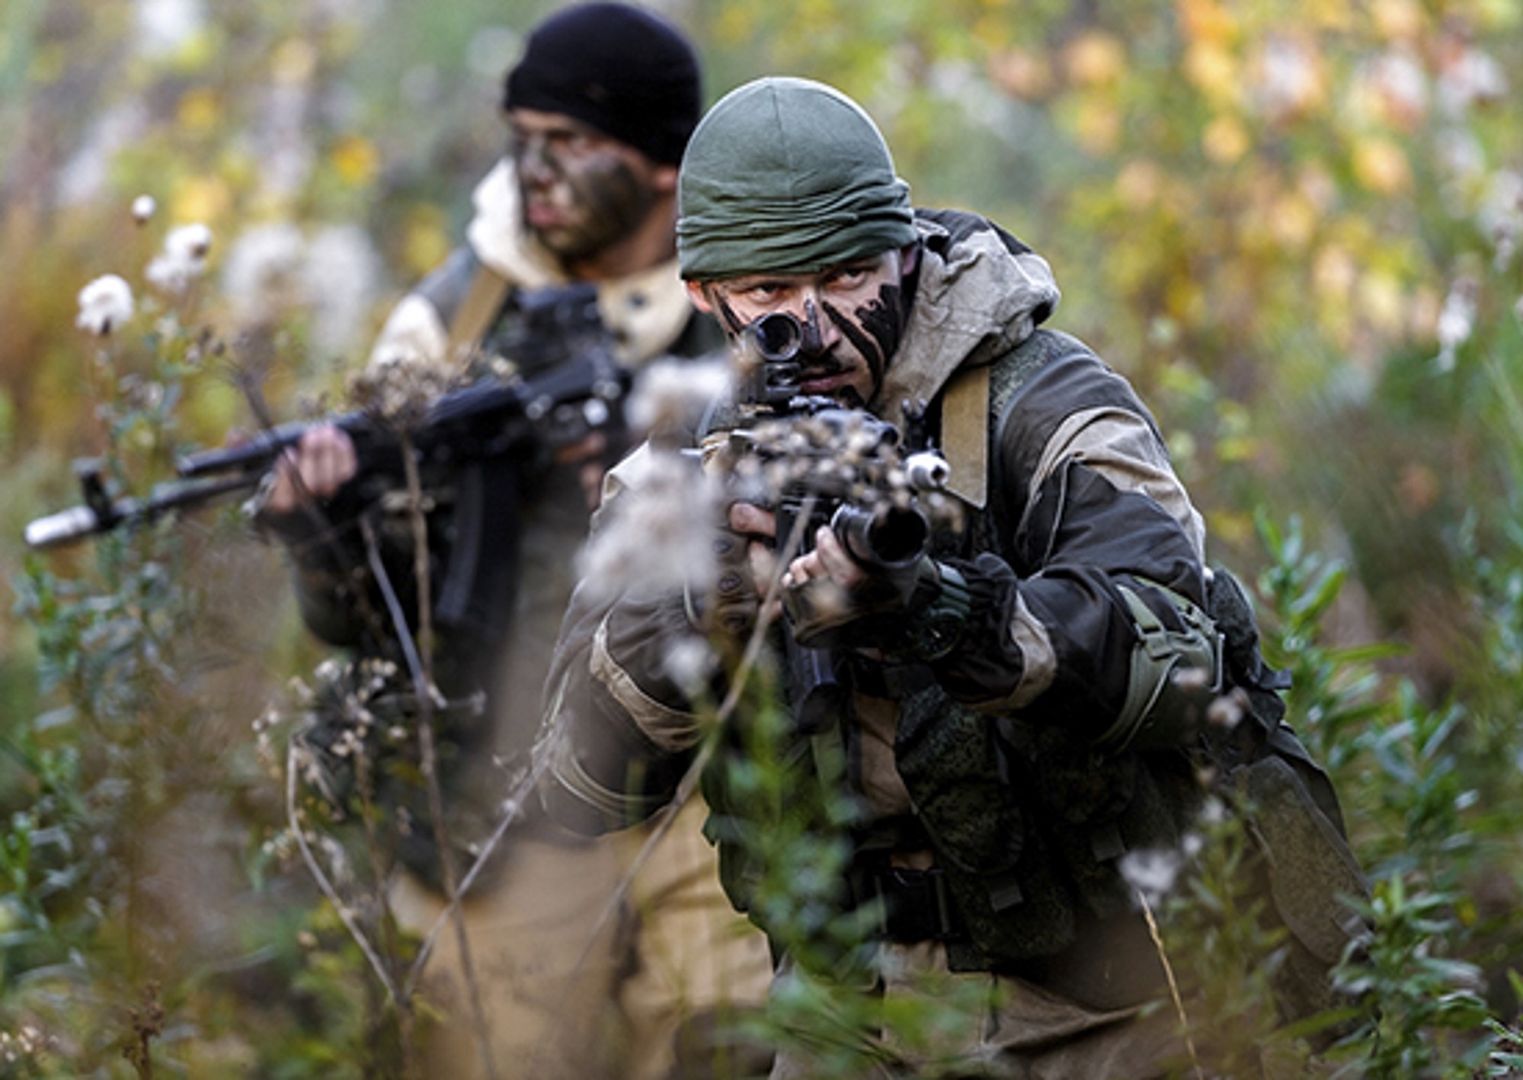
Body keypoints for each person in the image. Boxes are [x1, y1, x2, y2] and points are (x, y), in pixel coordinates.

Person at [536, 76, 1368, 1076]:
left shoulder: (1038, 403)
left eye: (846, 277)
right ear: (704, 296)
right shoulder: (687, 461)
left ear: (906, 252)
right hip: (841, 1009)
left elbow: (1180, 652)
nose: (816, 325)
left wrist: (942, 610)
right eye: (768, 295)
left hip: (1110, 1000)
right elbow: (572, 790)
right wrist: (688, 612)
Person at [255, 7, 773, 1078]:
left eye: (572, 141)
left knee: (728, 1039)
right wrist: (327, 529)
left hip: (712, 776)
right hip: (513, 787)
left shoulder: (750, 298)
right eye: (520, 134)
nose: (534, 169)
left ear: (664, 167)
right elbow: (364, 620)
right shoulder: (448, 323)